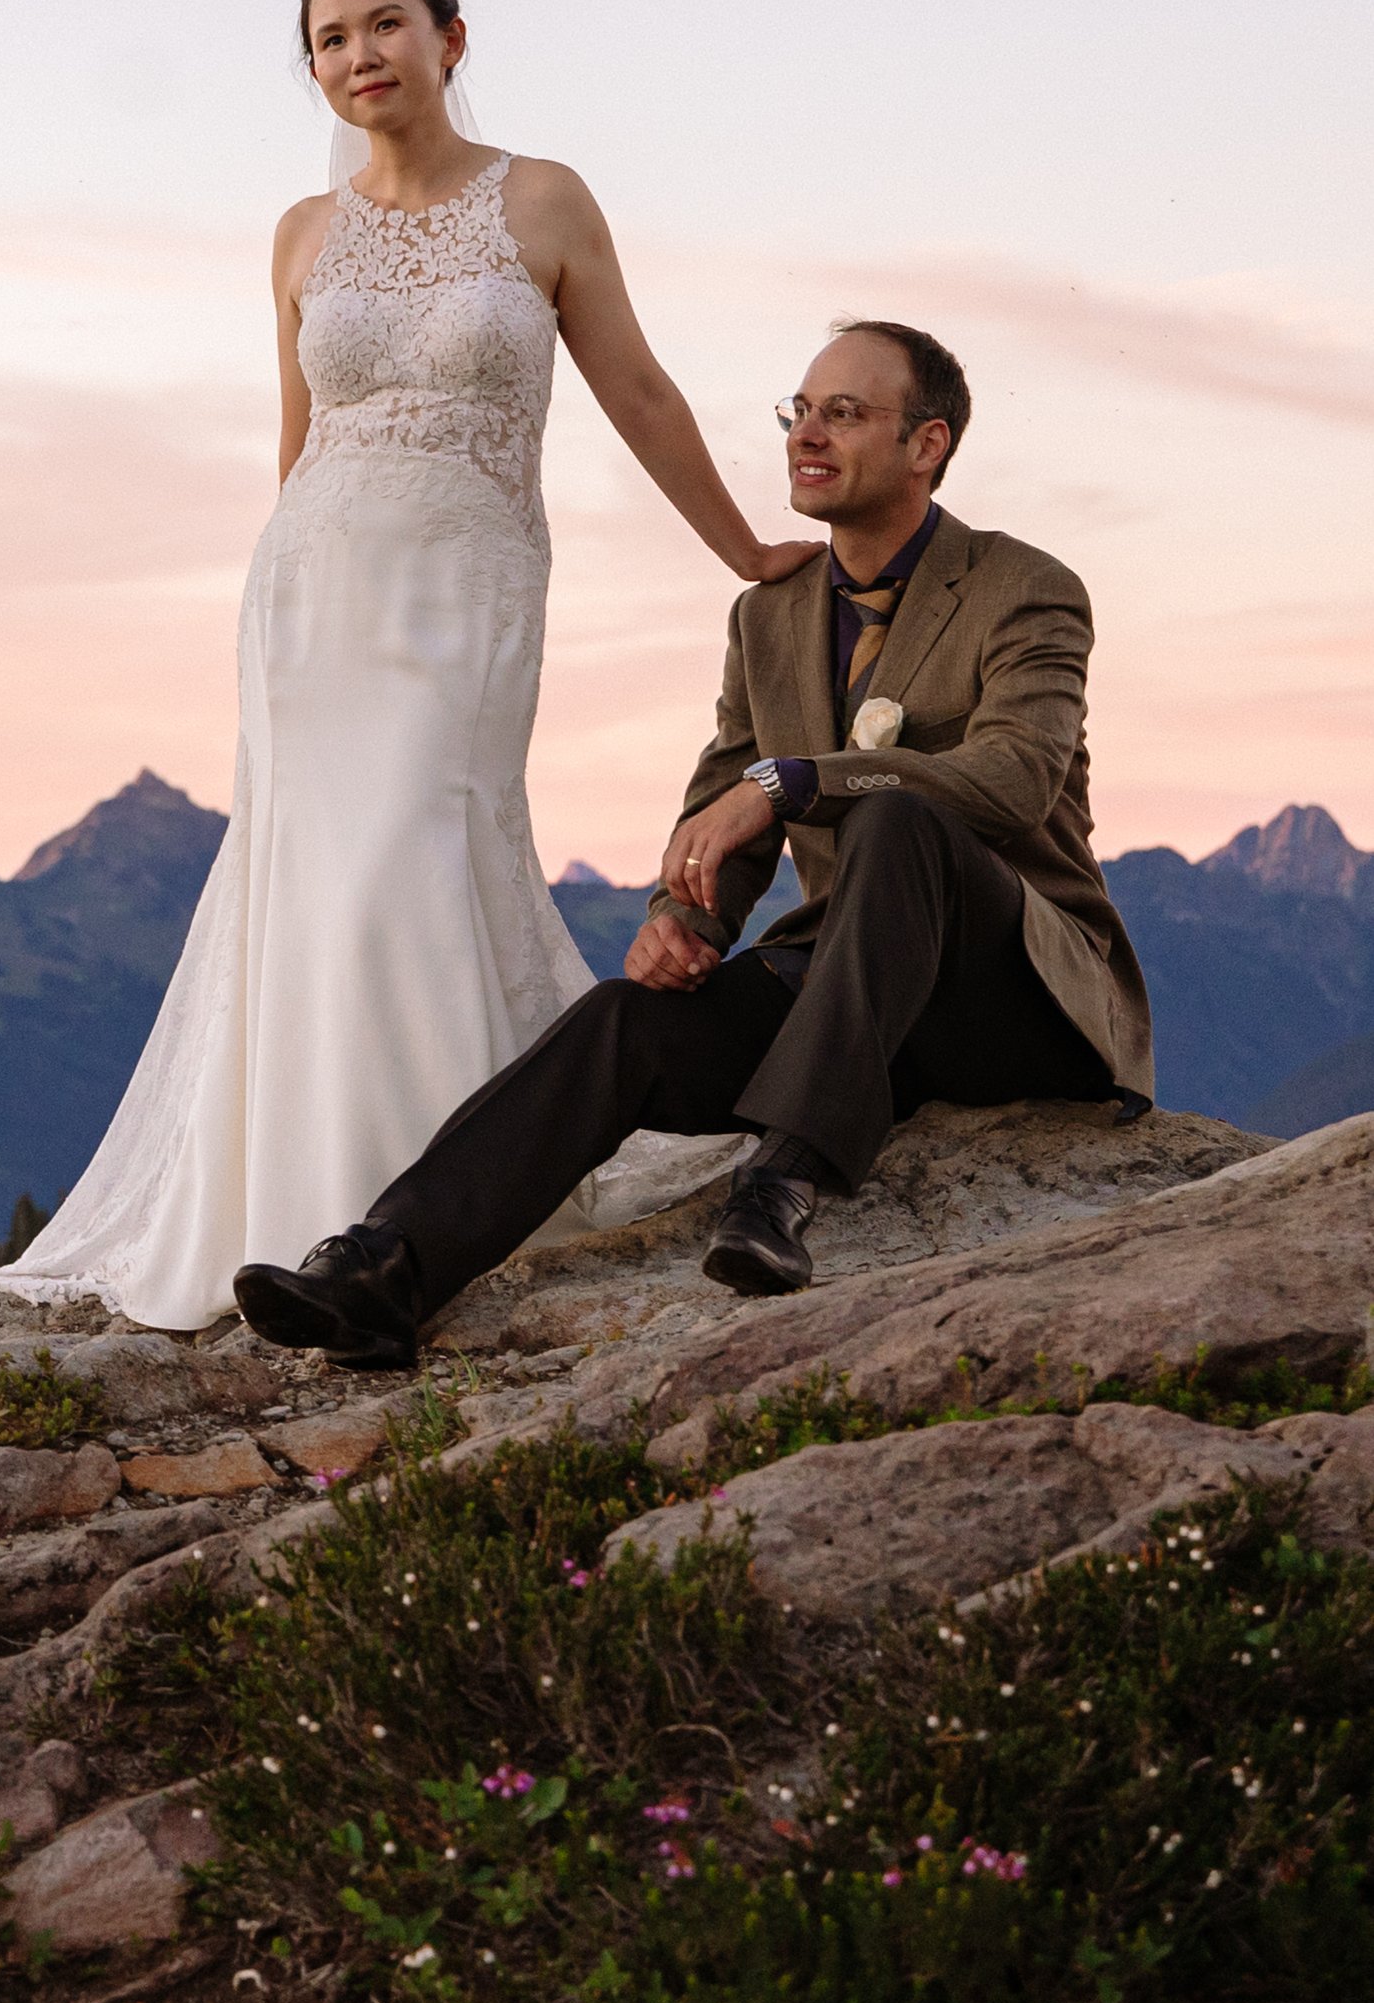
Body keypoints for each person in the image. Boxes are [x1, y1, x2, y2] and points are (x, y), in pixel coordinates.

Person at [0, 0, 818, 1333]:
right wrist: (277, 613)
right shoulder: (301, 235)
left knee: (411, 849)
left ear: (449, 36)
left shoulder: (545, 201)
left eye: (384, 23)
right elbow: (294, 438)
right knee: (318, 871)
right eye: (329, 38)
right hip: (313, 592)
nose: (358, 55)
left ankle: (430, 1201)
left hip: (468, 581)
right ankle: (324, 1215)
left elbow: (637, 388)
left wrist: (742, 547)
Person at [231, 317, 1154, 1370]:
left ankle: (781, 1181)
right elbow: (724, 804)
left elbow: (1014, 777)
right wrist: (685, 916)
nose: (807, 433)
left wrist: (796, 780)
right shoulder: (768, 617)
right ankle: (384, 1270)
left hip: (1013, 996)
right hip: (860, 1011)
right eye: (798, 411)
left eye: (844, 414)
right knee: (625, 1019)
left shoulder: (1025, 586)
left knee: (907, 817)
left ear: (927, 445)